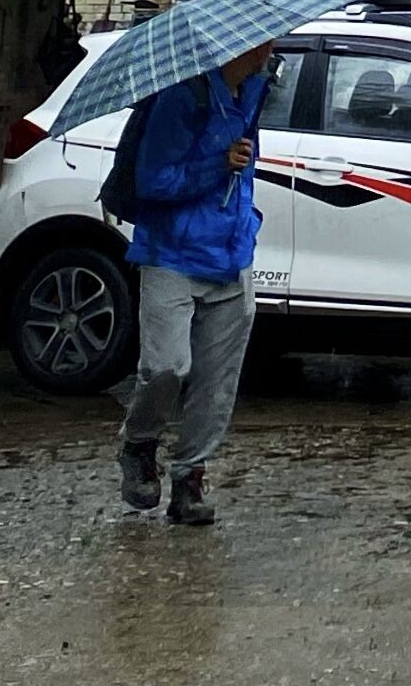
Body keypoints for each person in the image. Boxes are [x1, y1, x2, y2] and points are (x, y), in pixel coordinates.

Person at [113, 40, 274, 528]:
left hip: (230, 255)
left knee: (216, 383)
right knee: (167, 368)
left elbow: (241, 179)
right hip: (171, 255)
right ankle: (140, 443)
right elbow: (153, 181)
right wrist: (218, 163)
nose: (275, 45)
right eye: (266, 39)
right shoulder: (182, 97)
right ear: (241, 46)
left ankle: (188, 479)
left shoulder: (253, 93)